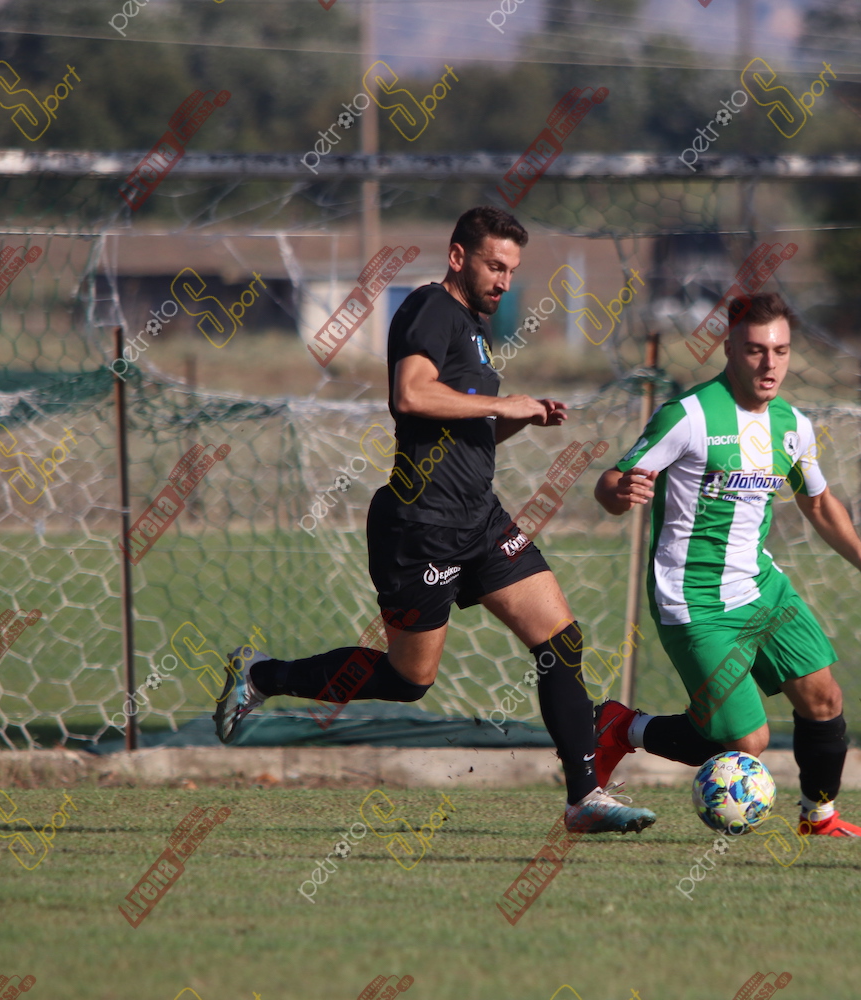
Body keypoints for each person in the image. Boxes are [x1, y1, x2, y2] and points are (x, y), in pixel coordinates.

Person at [213, 206, 655, 835]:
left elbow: (463, 429)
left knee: (561, 640)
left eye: (512, 270)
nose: (504, 281)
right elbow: (411, 394)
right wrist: (504, 401)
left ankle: (584, 798)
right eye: (494, 266)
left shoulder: (476, 328)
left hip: (480, 520)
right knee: (409, 679)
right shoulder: (430, 307)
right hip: (422, 526)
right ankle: (261, 675)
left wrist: (515, 418)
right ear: (457, 257)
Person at [591, 292, 861, 837]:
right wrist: (620, 494)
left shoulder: (792, 425)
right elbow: (612, 481)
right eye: (756, 350)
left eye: (780, 351)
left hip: (761, 588)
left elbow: (817, 502)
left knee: (824, 697)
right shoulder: (687, 416)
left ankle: (819, 816)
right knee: (746, 742)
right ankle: (622, 727)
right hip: (694, 598)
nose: (769, 364)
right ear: (729, 348)